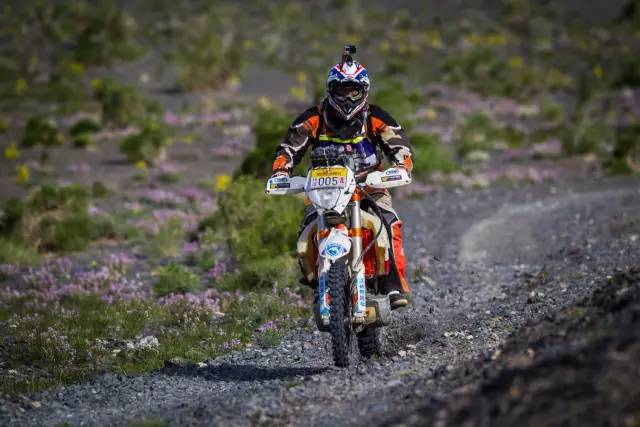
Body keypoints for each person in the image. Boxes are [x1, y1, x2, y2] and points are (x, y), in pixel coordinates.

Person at [270, 45, 413, 309]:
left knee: (389, 221)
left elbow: (398, 144)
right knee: (308, 226)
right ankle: (315, 276)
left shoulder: (374, 117)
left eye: (353, 91)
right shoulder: (314, 118)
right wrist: (281, 170)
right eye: (342, 90)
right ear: (331, 90)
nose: (347, 97)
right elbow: (289, 148)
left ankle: (393, 284)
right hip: (325, 187)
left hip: (367, 185)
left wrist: (401, 164)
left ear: (364, 91)